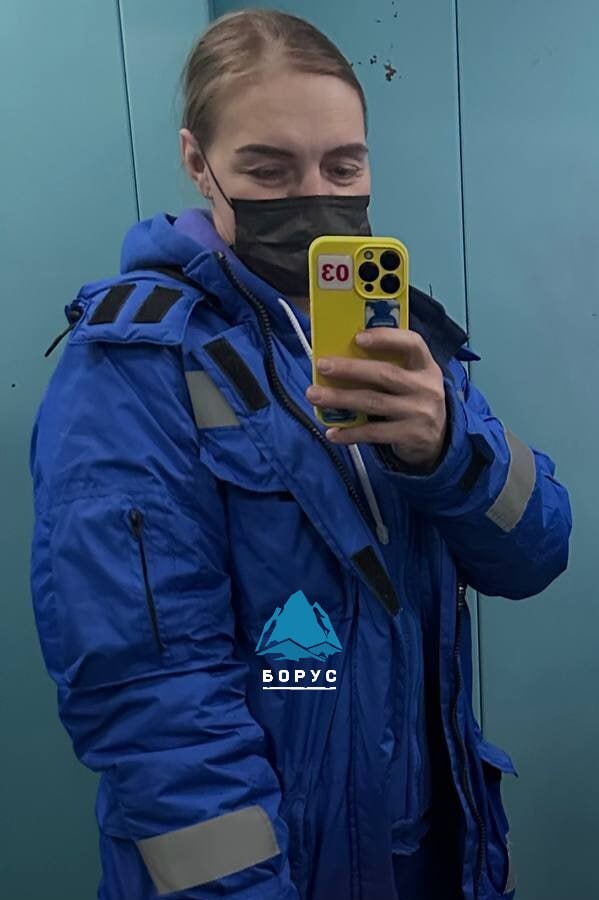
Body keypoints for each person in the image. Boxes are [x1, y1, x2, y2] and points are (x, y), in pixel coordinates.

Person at [29, 9, 572, 900]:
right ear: (197, 162)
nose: (314, 196)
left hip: (436, 847)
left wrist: (446, 448)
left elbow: (535, 554)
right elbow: (152, 705)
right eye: (268, 169)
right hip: (274, 865)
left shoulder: (398, 334)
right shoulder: (131, 367)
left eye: (342, 166)